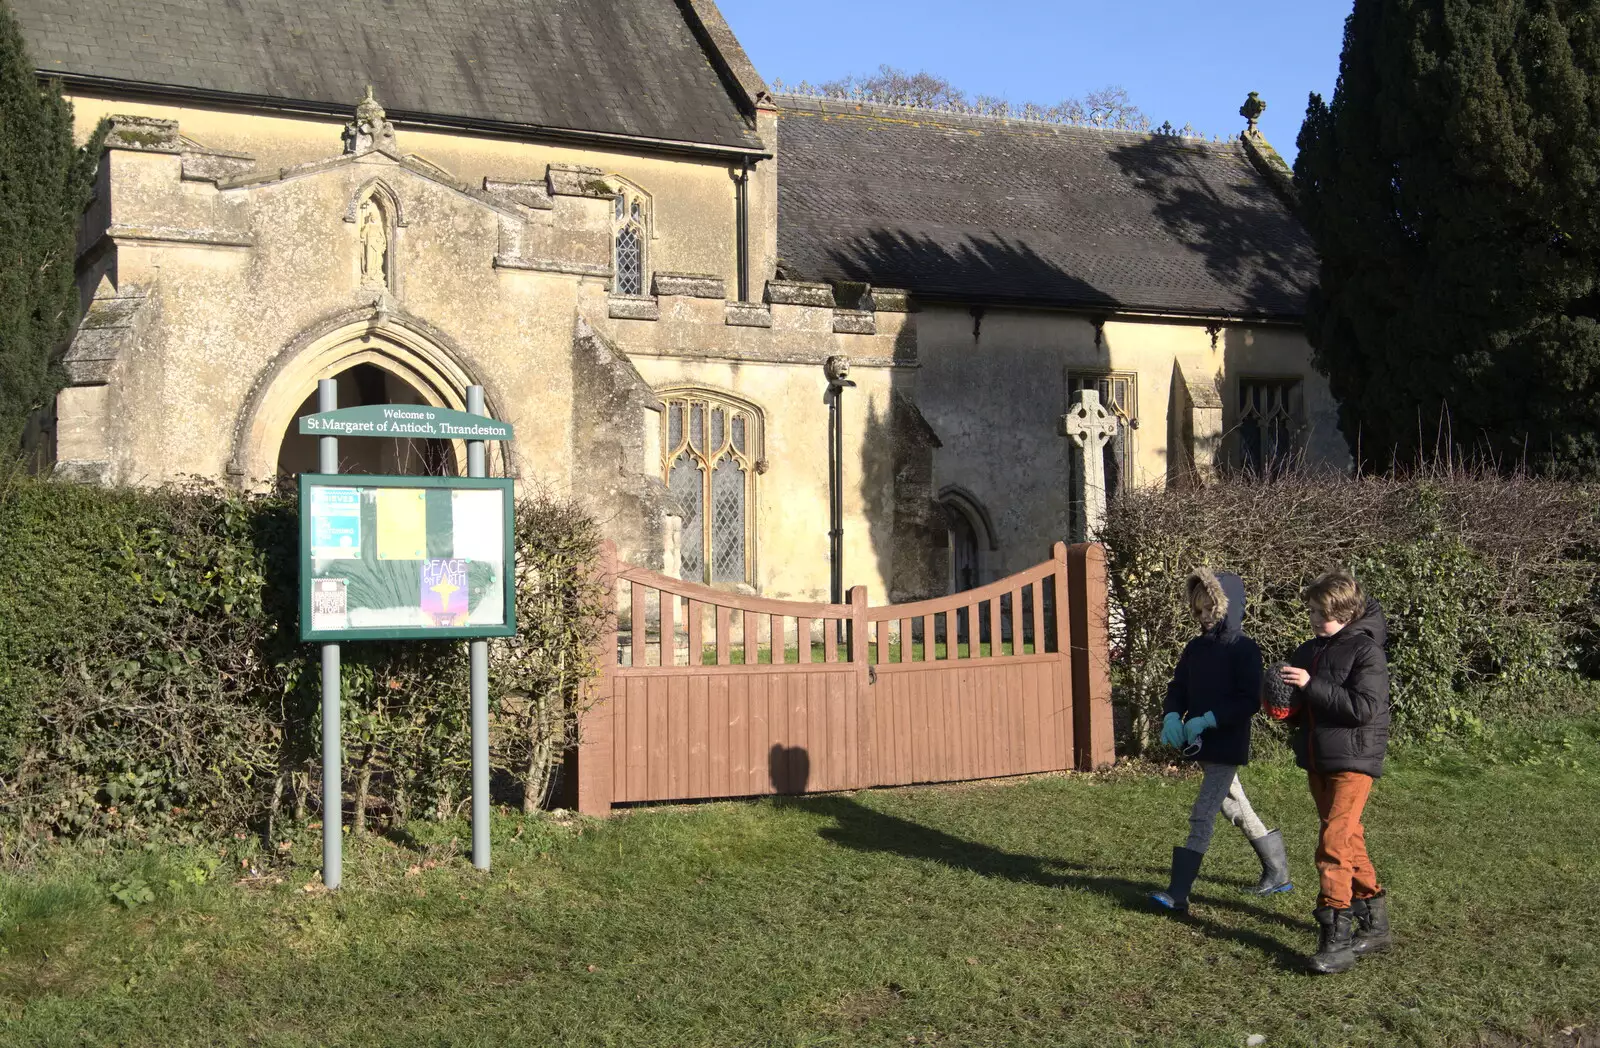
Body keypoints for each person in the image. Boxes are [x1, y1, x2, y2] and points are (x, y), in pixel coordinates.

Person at [1150, 568, 1293, 913]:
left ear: (1228, 606)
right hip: (1202, 747)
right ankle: (1278, 873)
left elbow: (1248, 700)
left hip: (1227, 744)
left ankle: (1178, 892)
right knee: (1235, 806)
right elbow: (1178, 687)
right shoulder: (1195, 647)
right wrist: (1172, 714)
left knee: (1203, 814)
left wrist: (1209, 718)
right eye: (1198, 610)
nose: (1204, 617)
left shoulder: (1244, 648)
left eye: (1211, 609)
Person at [1278, 571, 1392, 974]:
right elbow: (1306, 706)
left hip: (1354, 760)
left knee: (1332, 844)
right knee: (1348, 838)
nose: (1311, 618)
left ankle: (1336, 938)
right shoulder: (1309, 648)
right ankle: (1376, 924)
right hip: (1318, 758)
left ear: (1343, 611)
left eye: (1319, 612)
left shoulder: (1366, 652)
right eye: (1309, 610)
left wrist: (1311, 685)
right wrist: (1283, 705)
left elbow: (1364, 709)